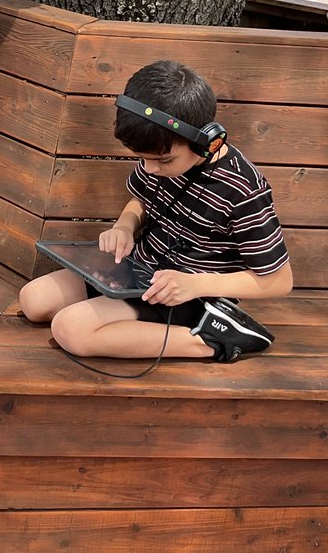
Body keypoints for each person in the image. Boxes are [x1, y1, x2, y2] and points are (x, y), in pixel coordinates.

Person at [19, 60, 293, 363]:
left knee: (70, 328)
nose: (150, 169)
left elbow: (280, 280)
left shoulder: (243, 190)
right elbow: (140, 200)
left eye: (163, 161)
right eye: (142, 158)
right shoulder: (160, 155)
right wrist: (125, 226)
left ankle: (216, 340)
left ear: (206, 143)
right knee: (33, 300)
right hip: (138, 273)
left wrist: (195, 285)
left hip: (186, 295)